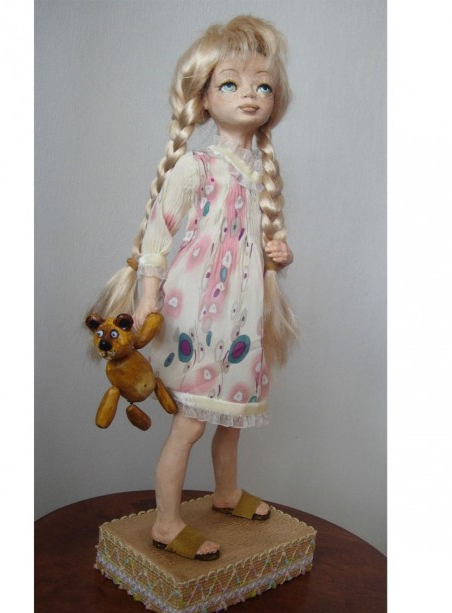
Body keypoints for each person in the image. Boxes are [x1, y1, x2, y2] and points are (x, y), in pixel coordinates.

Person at [93, 15, 298, 560]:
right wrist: (147, 297)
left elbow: (254, 245)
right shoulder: (198, 164)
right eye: (230, 84)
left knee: (231, 418)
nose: (249, 95)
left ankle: (226, 492)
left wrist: (280, 255)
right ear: (204, 98)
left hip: (241, 314)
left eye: (262, 86)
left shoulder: (259, 173)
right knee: (191, 423)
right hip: (200, 310)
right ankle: (166, 522)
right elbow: (158, 235)